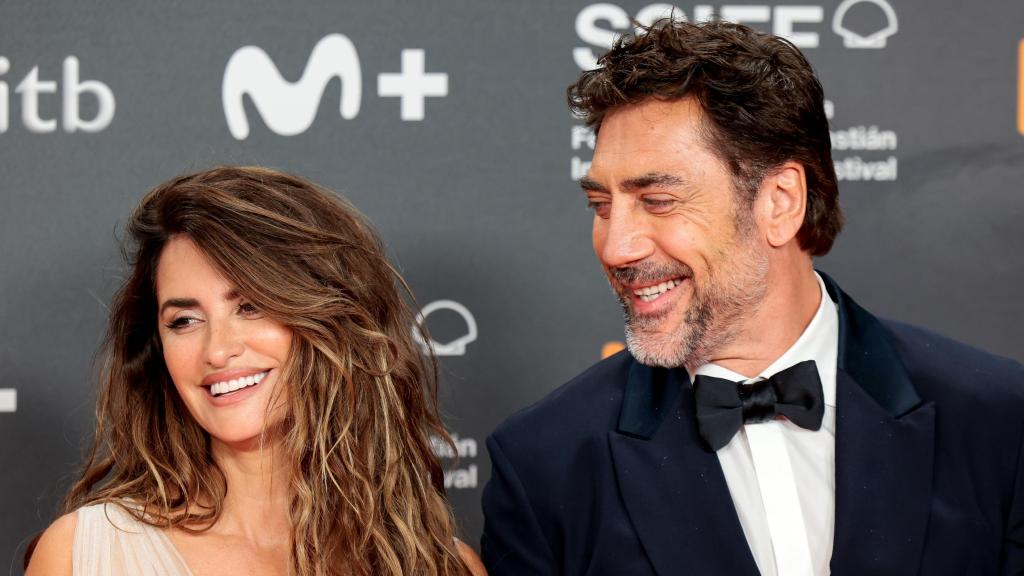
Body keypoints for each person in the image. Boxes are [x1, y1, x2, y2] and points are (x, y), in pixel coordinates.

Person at [481, 19, 1024, 576]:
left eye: (659, 200)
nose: (617, 247)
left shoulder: (1000, 422)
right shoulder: (545, 464)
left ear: (781, 201)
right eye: (601, 206)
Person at [26, 166, 486, 576]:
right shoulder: (82, 555)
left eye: (251, 306)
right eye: (184, 321)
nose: (218, 350)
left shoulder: (436, 564)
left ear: (330, 320)